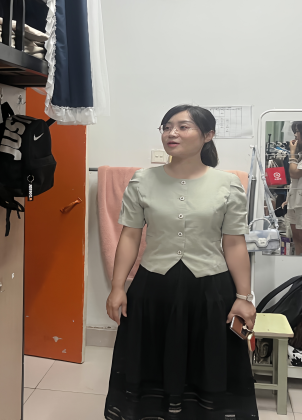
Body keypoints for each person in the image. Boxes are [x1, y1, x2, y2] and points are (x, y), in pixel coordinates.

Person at [104, 105, 259, 419]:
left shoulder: (228, 184)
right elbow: (130, 236)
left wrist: (244, 297)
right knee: (150, 363)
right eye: (166, 127)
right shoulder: (142, 181)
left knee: (209, 365)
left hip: (211, 292)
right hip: (152, 290)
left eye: (183, 126)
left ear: (208, 135)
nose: (171, 133)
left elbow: (234, 243)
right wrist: (117, 287)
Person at [287, 121, 302, 255]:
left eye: (297, 131)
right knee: (296, 238)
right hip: (293, 200)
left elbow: (294, 173)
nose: (295, 135)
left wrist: (292, 153)